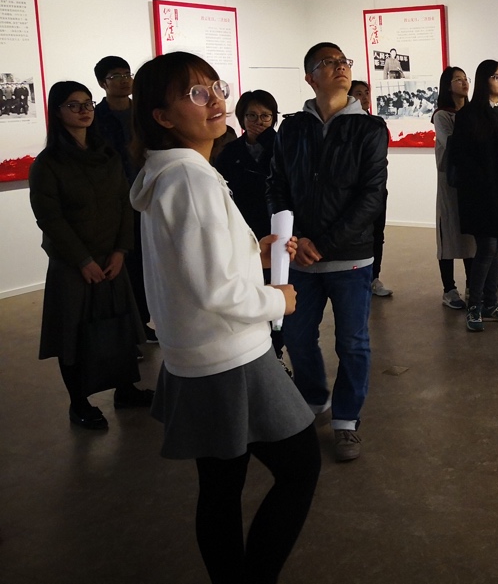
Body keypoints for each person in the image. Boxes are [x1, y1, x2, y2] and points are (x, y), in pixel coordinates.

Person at [130, 52, 319, 584]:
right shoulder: (191, 180)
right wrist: (278, 301)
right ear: (162, 116)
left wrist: (254, 252)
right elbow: (216, 289)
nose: (215, 100)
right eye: (196, 93)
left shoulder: (166, 174)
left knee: (220, 485)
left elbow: (192, 269)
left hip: (195, 356)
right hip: (231, 356)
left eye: (216, 87)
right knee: (300, 468)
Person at [268, 42, 388, 462]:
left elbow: (371, 195)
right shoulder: (293, 128)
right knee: (297, 337)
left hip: (351, 257)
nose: (340, 67)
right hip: (300, 257)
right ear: (310, 77)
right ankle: (315, 399)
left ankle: (347, 420)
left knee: (353, 342)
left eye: (343, 62)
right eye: (329, 63)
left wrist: (323, 244)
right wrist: (296, 237)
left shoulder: (369, 129)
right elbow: (277, 185)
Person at [30, 81, 152, 431]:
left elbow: (124, 204)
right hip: (73, 264)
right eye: (74, 105)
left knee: (120, 327)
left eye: (87, 104)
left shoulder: (107, 154)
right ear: (57, 112)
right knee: (73, 335)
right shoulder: (48, 163)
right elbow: (50, 219)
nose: (84, 111)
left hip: (111, 258)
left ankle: (125, 390)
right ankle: (79, 403)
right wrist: (82, 260)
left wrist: (121, 250)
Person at [214, 89, 290, 370]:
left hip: (276, 230)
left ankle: (276, 353)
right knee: (249, 291)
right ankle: (254, 352)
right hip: (243, 233)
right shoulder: (230, 152)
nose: (259, 122)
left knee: (276, 290)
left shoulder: (282, 147)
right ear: (242, 118)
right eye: (252, 116)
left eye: (266, 116)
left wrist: (271, 141)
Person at [449, 60, 498, 332]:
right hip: (480, 195)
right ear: (484, 80)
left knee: (496, 248)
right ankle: (476, 305)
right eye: (496, 76)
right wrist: (485, 186)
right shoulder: (469, 115)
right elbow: (462, 159)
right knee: (487, 249)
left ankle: (490, 303)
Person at [91, 56, 154, 342]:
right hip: (114, 201)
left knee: (146, 262)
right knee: (123, 264)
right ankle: (131, 327)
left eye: (127, 74)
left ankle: (146, 321)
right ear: (102, 83)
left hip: (147, 195)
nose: (124, 80)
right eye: (115, 76)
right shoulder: (96, 118)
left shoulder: (142, 113)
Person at [431, 66, 475, 309]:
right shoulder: (442, 115)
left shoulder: (471, 112)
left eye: (465, 79)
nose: (464, 83)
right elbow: (451, 143)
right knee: (448, 234)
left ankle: (471, 285)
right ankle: (449, 289)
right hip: (450, 180)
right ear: (447, 86)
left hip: (470, 180)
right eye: (458, 79)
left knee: (469, 235)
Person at [349, 80, 392, 298]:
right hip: (353, 190)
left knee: (377, 233)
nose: (365, 97)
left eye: (366, 92)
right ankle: (357, 276)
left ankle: (374, 277)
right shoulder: (345, 125)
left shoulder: (376, 123)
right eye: (359, 93)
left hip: (376, 188)